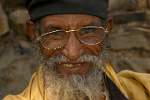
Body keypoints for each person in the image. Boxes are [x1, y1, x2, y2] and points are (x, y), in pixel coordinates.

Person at [3, 0, 150, 100]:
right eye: (55, 33)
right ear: (34, 33)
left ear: (107, 29)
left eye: (88, 31)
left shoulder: (143, 91)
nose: (73, 53)